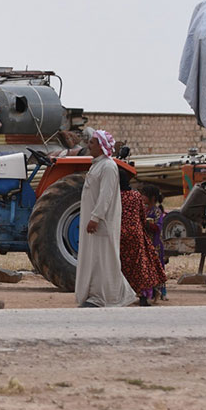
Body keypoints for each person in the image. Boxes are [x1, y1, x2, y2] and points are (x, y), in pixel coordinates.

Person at [75, 130, 136, 308]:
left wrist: (96, 217)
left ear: (101, 146)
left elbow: (106, 196)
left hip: (102, 222)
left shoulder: (108, 167)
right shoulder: (97, 165)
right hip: (94, 221)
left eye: (92, 143)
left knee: (103, 259)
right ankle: (107, 295)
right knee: (95, 259)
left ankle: (105, 298)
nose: (89, 145)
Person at [119, 172, 167, 307]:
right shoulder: (135, 196)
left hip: (120, 235)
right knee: (140, 266)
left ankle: (124, 294)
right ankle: (143, 295)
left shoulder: (116, 196)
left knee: (122, 266)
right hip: (136, 235)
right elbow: (141, 216)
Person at [140, 184, 169, 301]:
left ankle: (162, 291)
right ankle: (150, 291)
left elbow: (158, 227)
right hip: (146, 243)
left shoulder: (157, 212)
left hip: (155, 244)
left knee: (158, 267)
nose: (142, 197)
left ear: (152, 198)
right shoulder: (144, 210)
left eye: (145, 195)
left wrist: (147, 224)